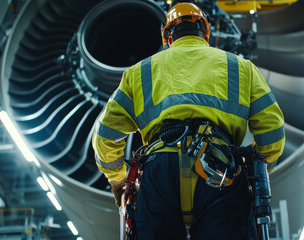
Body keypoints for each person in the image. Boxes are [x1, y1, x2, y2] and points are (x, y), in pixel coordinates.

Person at [92, 2, 285, 240]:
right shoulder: (241, 67)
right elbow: (273, 132)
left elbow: (105, 137)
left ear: (168, 37)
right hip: (220, 170)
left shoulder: (139, 72)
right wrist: (255, 168)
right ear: (205, 33)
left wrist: (119, 179)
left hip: (159, 171)